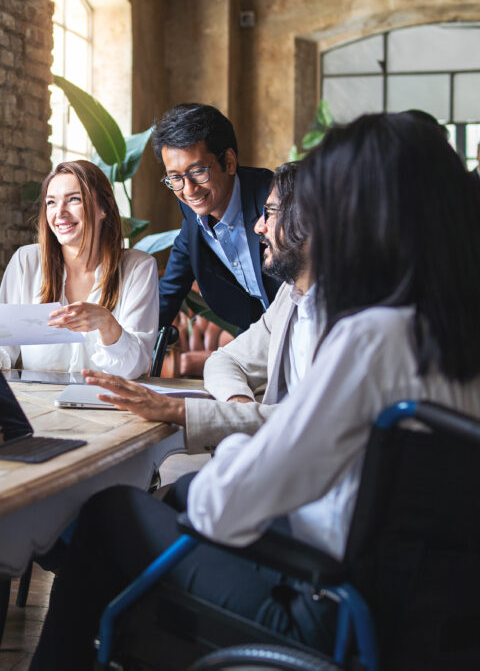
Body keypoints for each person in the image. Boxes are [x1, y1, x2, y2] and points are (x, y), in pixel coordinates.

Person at [29, 112, 480, 669]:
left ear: (364, 220)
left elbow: (226, 509)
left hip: (326, 605)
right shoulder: (449, 332)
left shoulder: (373, 338)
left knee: (110, 516)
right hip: (419, 622)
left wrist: (244, 443)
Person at [86, 162, 317, 452]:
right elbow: (222, 361)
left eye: (269, 213)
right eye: (174, 177)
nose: (259, 226)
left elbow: (311, 423)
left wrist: (177, 410)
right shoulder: (291, 297)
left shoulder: (354, 322)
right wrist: (239, 407)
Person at [0, 160, 158, 378]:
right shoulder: (26, 261)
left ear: (105, 207)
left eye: (74, 199)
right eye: (51, 202)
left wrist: (106, 323)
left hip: (108, 407)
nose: (60, 213)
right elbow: (4, 350)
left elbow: (135, 367)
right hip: (37, 406)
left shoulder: (138, 268)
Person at [155, 103, 281, 333]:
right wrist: (126, 345)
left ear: (229, 162)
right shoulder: (193, 214)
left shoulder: (274, 199)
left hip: (305, 329)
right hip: (256, 334)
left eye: (198, 171)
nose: (189, 189)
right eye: (175, 177)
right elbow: (169, 292)